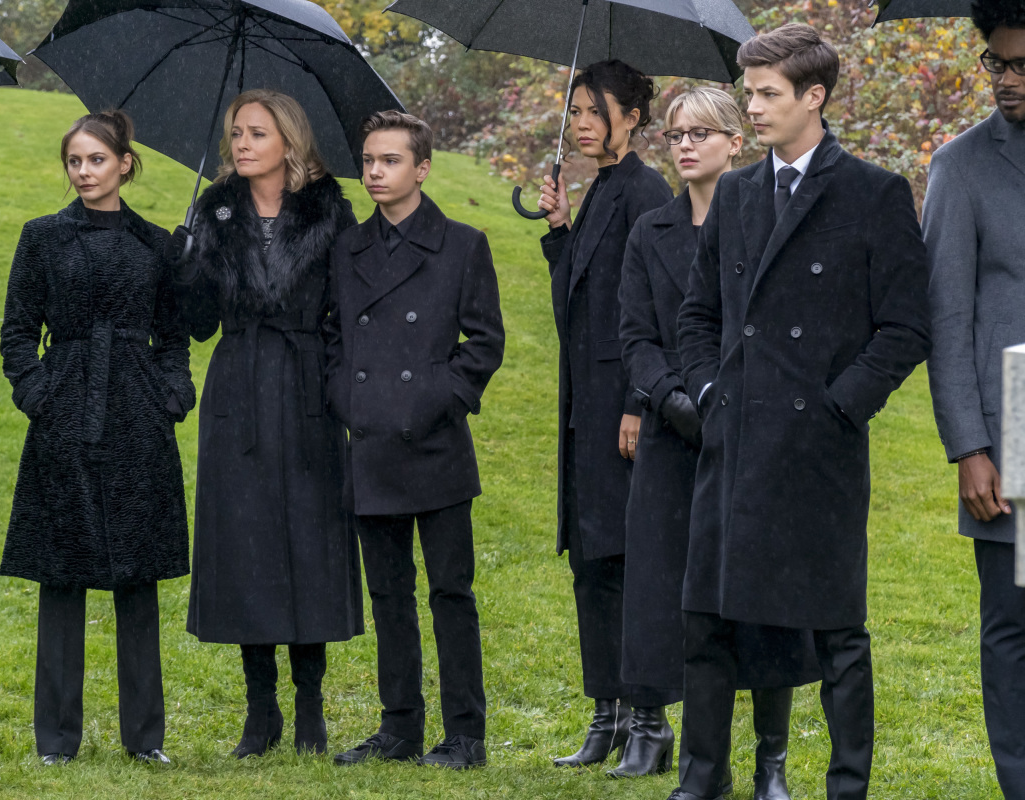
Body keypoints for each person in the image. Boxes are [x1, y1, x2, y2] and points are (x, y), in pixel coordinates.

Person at [672, 24, 931, 800]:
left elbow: (906, 327)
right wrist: (708, 393)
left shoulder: (874, 193)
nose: (752, 107)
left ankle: (846, 787)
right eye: (748, 92)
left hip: (818, 455)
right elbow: (697, 314)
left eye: (767, 93)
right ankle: (700, 782)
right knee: (707, 622)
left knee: (838, 632)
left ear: (814, 96)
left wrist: (839, 407)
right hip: (733, 443)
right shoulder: (738, 193)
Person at [617, 87, 819, 797]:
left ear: (737, 142)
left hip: (757, 438)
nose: (685, 145)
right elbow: (636, 337)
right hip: (674, 440)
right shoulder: (651, 231)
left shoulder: (772, 220)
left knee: (763, 606)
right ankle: (701, 766)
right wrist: (676, 400)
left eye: (701, 132)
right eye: (676, 134)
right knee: (687, 609)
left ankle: (771, 766)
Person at [171, 89, 362, 758]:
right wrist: (185, 264)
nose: (242, 144)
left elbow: (348, 309)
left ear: (289, 140)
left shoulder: (330, 210)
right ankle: (261, 711)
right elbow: (197, 324)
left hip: (308, 388)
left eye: (256, 132)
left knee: (310, 541)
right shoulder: (215, 210)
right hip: (240, 387)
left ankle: (310, 707)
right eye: (236, 133)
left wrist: (339, 385)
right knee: (245, 543)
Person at [0, 110, 194, 767]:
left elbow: (176, 336)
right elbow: (17, 332)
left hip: (138, 414)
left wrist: (170, 395)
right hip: (65, 413)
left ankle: (146, 738)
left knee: (138, 576)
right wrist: (38, 394)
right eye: (74, 161)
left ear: (124, 164)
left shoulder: (158, 245)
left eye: (96, 160)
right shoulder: (42, 237)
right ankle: (56, 740)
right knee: (61, 573)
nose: (84, 172)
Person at [326, 111, 504, 770]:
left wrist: (436, 399)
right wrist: (347, 397)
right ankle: (398, 728)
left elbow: (484, 343)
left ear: (422, 168)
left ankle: (466, 736)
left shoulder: (463, 244)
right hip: (371, 440)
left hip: (436, 445)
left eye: (390, 160)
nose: (375, 172)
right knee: (388, 595)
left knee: (451, 594)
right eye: (369, 160)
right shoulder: (347, 248)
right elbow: (332, 335)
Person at [534, 60, 676, 772]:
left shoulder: (646, 191)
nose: (581, 123)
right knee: (593, 563)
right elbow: (576, 308)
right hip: (583, 410)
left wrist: (636, 404)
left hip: (622, 409)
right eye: (576, 111)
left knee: (630, 564)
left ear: (633, 118)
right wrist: (561, 227)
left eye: (595, 111)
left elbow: (654, 308)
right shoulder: (601, 189)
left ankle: (650, 720)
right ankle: (608, 714)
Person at [922, 2, 1025, 795]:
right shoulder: (959, 166)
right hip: (1011, 438)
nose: (1006, 80)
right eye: (997, 62)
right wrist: (969, 446)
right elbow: (946, 320)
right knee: (1014, 632)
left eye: (1022, 65)